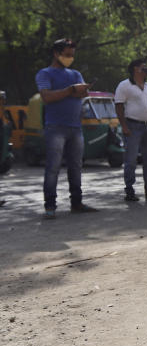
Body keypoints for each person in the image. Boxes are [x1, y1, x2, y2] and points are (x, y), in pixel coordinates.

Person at [35, 38, 98, 218]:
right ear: (56, 54)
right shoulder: (44, 73)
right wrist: (71, 90)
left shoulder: (76, 74)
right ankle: (50, 207)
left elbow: (82, 95)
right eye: (67, 55)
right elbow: (46, 97)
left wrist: (83, 90)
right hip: (55, 127)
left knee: (76, 167)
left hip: (75, 127)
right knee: (53, 168)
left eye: (72, 55)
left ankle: (76, 203)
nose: (70, 58)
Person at [115, 59, 147, 202]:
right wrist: (124, 126)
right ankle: (129, 191)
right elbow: (118, 106)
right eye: (144, 68)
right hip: (133, 126)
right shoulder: (124, 85)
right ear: (135, 69)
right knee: (131, 160)